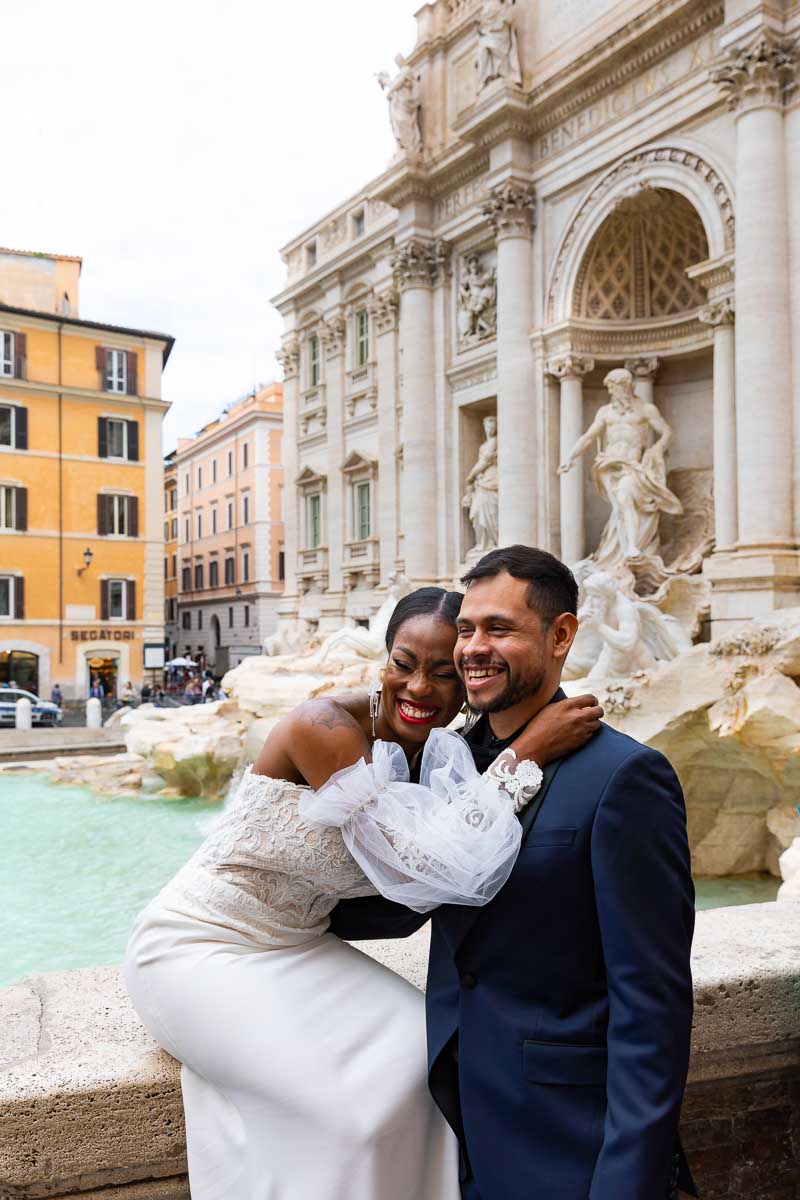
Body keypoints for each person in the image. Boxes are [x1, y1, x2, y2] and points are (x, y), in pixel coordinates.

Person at [124, 586, 601, 1199]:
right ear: (383, 661)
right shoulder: (323, 726)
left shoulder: (443, 751)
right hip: (196, 946)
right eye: (403, 664)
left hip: (297, 946)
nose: (420, 689)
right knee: (344, 1111)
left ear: (466, 681)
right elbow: (421, 867)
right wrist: (525, 756)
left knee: (423, 1063)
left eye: (442, 672)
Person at [331, 546, 696, 1200]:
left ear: (561, 636)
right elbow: (390, 906)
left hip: (569, 1143)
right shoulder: (447, 762)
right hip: (457, 1121)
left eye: (499, 629)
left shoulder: (625, 778)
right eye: (466, 628)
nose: (473, 648)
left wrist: (626, 1186)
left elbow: (652, 1009)